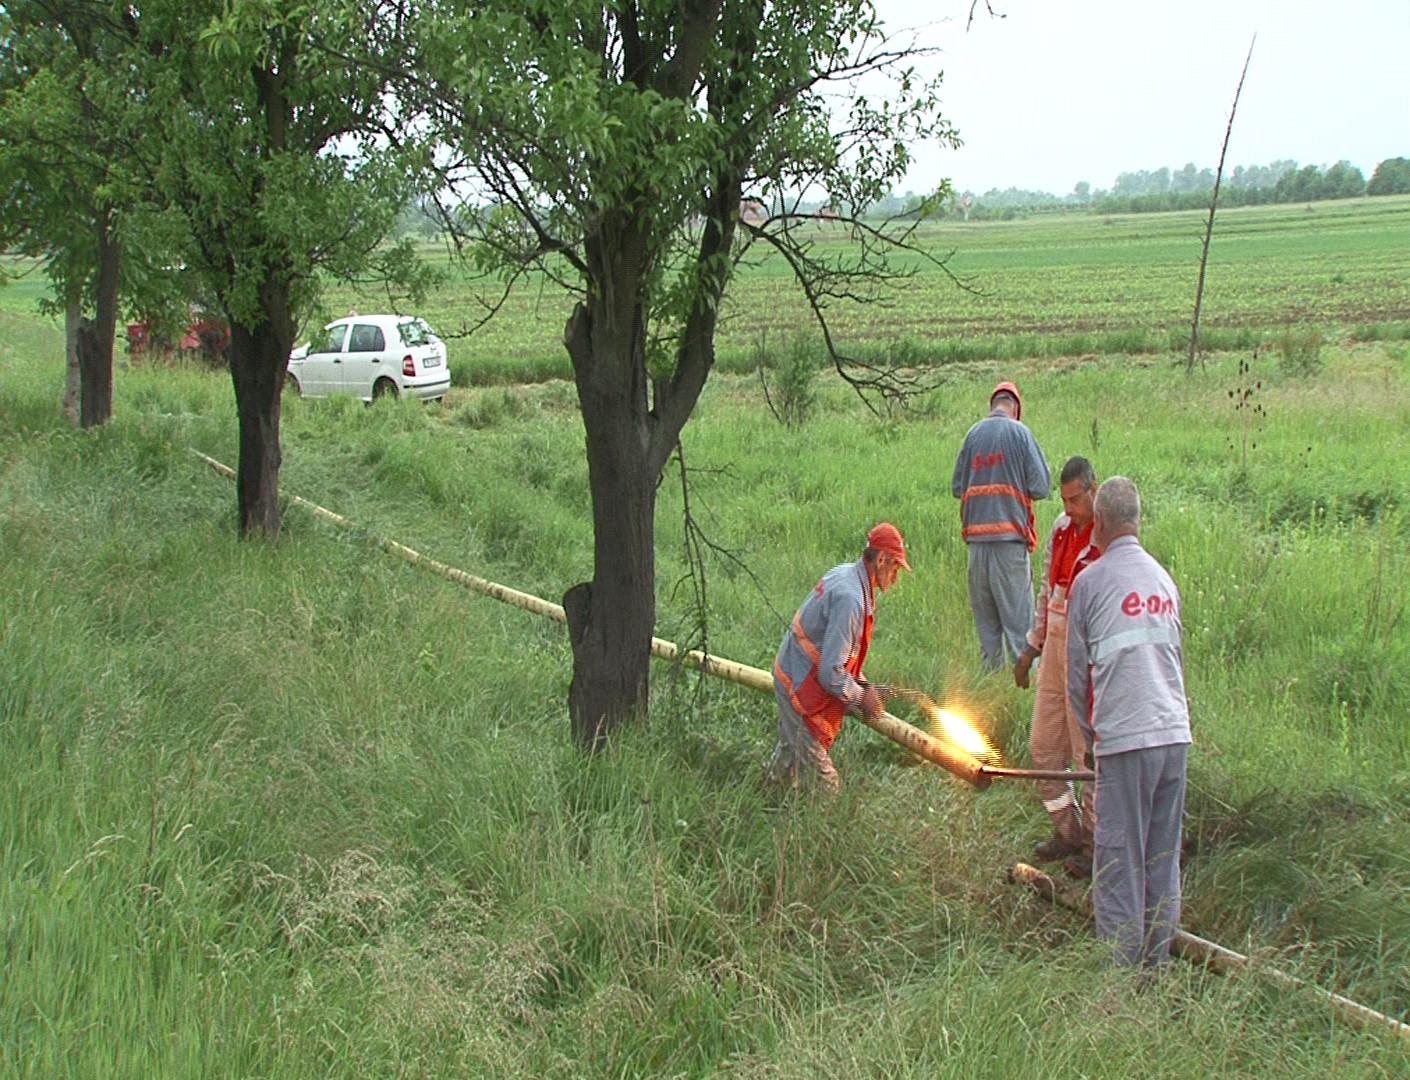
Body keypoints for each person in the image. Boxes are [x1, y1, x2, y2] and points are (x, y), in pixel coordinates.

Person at [1066, 477, 1191, 969]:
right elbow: (1176, 660)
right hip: (1174, 735)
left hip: (1125, 741)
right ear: (1137, 522)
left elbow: (1077, 678)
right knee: (1162, 864)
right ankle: (1154, 975)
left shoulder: (1090, 583)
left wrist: (1092, 742)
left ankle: (1120, 999)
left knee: (1119, 864)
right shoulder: (1163, 580)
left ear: (1098, 525)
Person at [768, 523, 912, 793]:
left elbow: (841, 652)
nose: (896, 576)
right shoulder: (851, 600)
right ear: (880, 559)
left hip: (792, 671)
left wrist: (863, 684)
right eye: (895, 567)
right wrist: (859, 697)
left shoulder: (847, 575)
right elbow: (830, 673)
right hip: (797, 685)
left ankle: (767, 795)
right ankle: (819, 828)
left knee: (790, 750)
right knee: (826, 785)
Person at [1015, 456, 1101, 869]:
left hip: (1088, 658)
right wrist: (1031, 648)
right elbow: (1048, 597)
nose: (1069, 509)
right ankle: (1067, 832)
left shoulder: (1108, 541)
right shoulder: (1061, 532)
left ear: (1094, 490)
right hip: (1054, 650)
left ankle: (1095, 847)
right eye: (1064, 500)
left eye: (1076, 499)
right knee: (1044, 746)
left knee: (1089, 756)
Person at [951, 381, 1052, 672]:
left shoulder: (973, 435)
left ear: (993, 404)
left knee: (989, 638)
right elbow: (1041, 486)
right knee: (1023, 635)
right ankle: (1028, 702)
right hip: (1009, 547)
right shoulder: (1020, 433)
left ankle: (991, 695)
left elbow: (958, 487)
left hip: (977, 550)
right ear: (1016, 408)